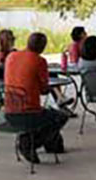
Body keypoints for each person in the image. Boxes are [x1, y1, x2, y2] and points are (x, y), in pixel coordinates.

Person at [4, 33, 69, 163]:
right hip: (30, 113)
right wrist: (52, 89)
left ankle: (51, 145)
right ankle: (29, 143)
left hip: (9, 111)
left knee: (49, 115)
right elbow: (44, 90)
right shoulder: (39, 61)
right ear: (43, 47)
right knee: (61, 116)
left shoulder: (11, 56)